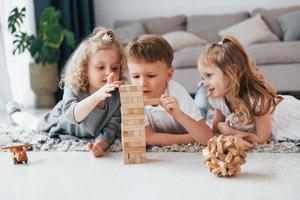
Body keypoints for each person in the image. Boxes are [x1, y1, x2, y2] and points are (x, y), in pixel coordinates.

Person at [6, 28, 126, 157]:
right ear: (85, 69)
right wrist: (98, 96)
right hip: (57, 123)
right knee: (32, 123)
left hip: (86, 132)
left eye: (115, 68)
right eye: (100, 67)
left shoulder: (117, 97)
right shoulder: (74, 87)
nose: (109, 73)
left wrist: (100, 145)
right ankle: (14, 111)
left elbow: (112, 128)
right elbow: (73, 115)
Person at [197, 35, 300, 149]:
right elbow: (215, 133)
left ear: (232, 71)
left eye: (209, 75)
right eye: (203, 78)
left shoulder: (257, 100)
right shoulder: (219, 99)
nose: (204, 84)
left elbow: (262, 138)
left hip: (288, 117)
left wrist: (229, 131)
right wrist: (225, 132)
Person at [125, 34, 213, 146]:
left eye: (151, 76)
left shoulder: (177, 93)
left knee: (204, 106)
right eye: (135, 77)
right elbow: (149, 138)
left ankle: (202, 89)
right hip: (186, 135)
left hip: (197, 113)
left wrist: (179, 115)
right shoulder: (133, 97)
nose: (142, 84)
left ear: (169, 74)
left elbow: (207, 137)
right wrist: (192, 138)